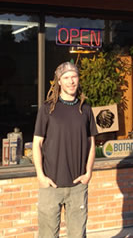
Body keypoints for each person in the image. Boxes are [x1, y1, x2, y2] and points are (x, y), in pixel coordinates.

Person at [33, 62, 98, 238]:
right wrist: (40, 176)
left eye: (74, 77)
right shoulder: (48, 108)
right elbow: (37, 144)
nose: (71, 81)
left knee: (77, 235)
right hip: (51, 184)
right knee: (47, 235)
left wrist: (88, 173)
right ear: (59, 82)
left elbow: (92, 143)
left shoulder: (85, 109)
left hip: (78, 186)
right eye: (66, 78)